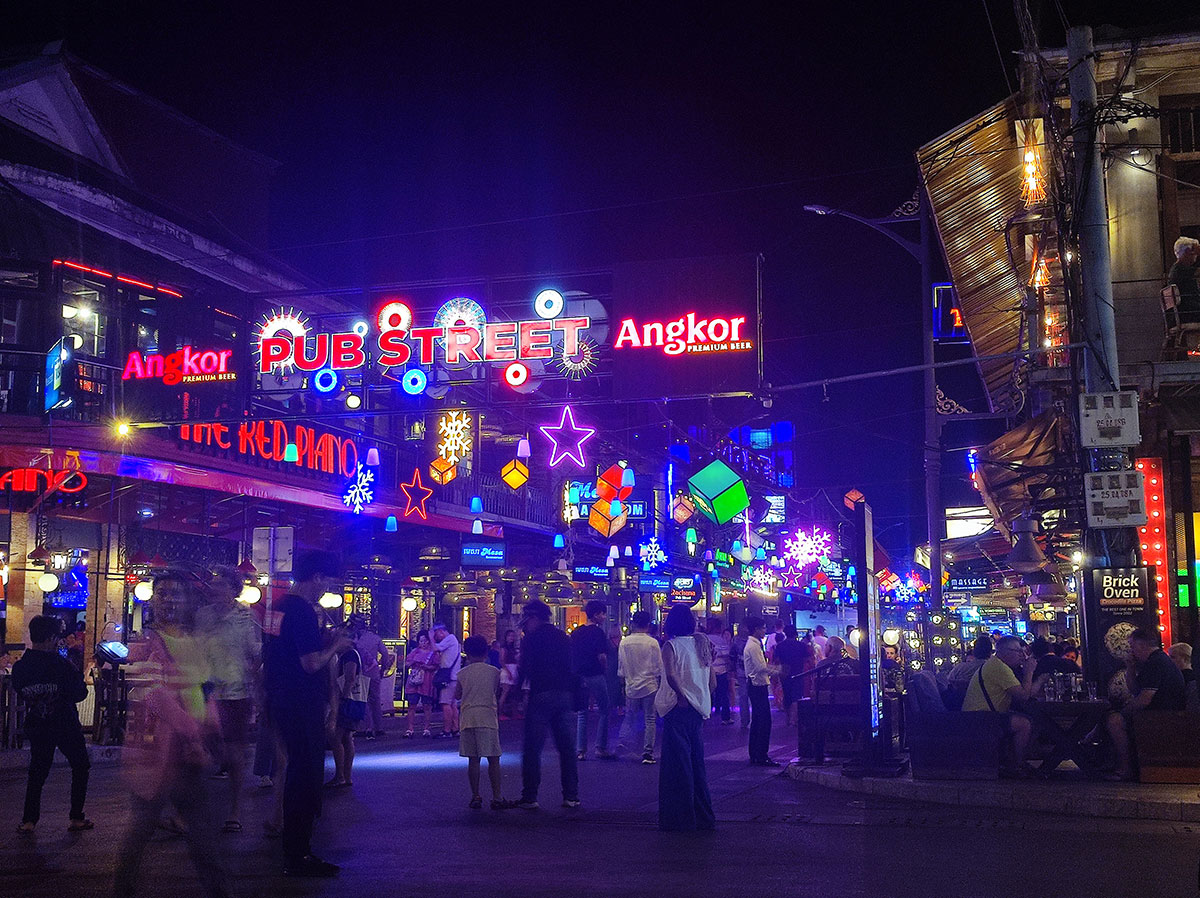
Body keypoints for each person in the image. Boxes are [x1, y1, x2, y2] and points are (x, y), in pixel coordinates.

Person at [114, 569, 234, 898]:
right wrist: (192, 728)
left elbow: (205, 688)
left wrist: (212, 726)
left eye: (176, 593)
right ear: (153, 599)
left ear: (188, 600)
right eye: (163, 593)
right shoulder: (143, 644)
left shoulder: (193, 643)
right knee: (142, 831)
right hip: (156, 754)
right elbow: (152, 695)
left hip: (189, 756)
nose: (170, 599)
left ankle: (220, 892)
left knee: (203, 836)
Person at [263, 550, 350, 878]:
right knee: (306, 775)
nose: (327, 587)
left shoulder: (278, 607)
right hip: (301, 703)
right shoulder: (301, 611)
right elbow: (311, 662)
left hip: (281, 699)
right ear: (317, 577)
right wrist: (336, 647)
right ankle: (298, 853)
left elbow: (274, 653)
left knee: (296, 771)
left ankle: (294, 848)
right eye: (328, 580)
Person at [196, 566, 261, 833]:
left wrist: (259, 692)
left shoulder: (247, 618)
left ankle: (234, 811)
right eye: (213, 584)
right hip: (204, 692)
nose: (215, 589)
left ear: (234, 590)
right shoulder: (202, 616)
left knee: (234, 754)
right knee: (202, 750)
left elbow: (256, 656)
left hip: (236, 694)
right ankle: (190, 811)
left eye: (221, 584)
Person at [13, 615, 92, 835]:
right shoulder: (61, 665)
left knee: (37, 771)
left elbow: (20, 690)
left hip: (38, 723)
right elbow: (80, 693)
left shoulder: (21, 667)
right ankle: (76, 817)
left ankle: (29, 820)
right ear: (51, 638)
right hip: (65, 723)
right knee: (80, 765)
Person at [516, 599, 579, 810]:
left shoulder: (531, 639)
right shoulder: (563, 637)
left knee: (533, 748)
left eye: (527, 620)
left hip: (540, 694)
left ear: (534, 618)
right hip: (563, 694)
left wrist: (517, 695)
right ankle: (571, 795)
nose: (525, 625)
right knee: (567, 748)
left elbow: (524, 668)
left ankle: (530, 796)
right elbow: (572, 667)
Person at [658, 604, 716, 832]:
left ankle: (679, 820)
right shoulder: (702, 645)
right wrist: (702, 699)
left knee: (677, 766)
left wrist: (682, 695)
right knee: (696, 764)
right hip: (698, 710)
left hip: (677, 708)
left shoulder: (670, 646)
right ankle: (704, 817)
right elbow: (713, 682)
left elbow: (671, 674)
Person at [1106, 627, 1187, 780]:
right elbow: (1135, 689)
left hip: (1162, 716)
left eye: (1132, 646)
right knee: (1113, 716)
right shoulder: (1155, 661)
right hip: (1160, 713)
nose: (1131, 650)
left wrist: (1124, 712)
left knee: (1114, 721)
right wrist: (1130, 668)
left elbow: (1145, 699)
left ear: (1141, 645)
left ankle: (1126, 769)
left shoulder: (1156, 663)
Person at [962, 635, 1048, 773]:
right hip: (980, 718)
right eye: (1018, 651)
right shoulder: (999, 668)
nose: (1022, 655)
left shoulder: (999, 665)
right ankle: (1017, 766)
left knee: (1036, 719)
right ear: (1004, 652)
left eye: (1022, 651)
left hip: (983, 715)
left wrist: (1040, 680)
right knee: (1024, 724)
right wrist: (1029, 672)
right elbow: (1024, 696)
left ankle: (1016, 759)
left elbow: (1026, 692)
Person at [457, 635, 515, 809]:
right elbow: (499, 690)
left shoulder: (462, 674)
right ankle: (497, 797)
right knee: (493, 759)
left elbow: (457, 695)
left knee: (473, 760)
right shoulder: (493, 672)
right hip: (487, 717)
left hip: (467, 718)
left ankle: (475, 796)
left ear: (466, 653)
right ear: (486, 652)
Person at [618, 610, 663, 763]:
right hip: (650, 685)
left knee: (629, 716)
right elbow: (658, 667)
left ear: (633, 623)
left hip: (631, 685)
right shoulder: (653, 643)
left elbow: (621, 667)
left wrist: (623, 683)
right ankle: (647, 752)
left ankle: (623, 742)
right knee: (650, 719)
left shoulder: (624, 642)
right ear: (648, 625)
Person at [571, 600, 614, 760]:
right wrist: (605, 669)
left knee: (583, 712)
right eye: (602, 613)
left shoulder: (576, 632)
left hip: (580, 675)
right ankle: (600, 747)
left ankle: (580, 750)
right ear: (596, 615)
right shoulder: (598, 633)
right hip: (595, 674)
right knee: (604, 709)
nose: (604, 616)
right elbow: (601, 656)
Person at [328, 638, 366, 787]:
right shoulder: (351, 654)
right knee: (346, 738)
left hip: (346, 701)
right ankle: (346, 775)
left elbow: (350, 677)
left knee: (336, 737)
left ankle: (340, 775)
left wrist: (342, 698)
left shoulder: (350, 654)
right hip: (352, 701)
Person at [743, 616, 779, 766]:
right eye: (763, 628)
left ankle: (756, 754)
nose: (765, 630)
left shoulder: (753, 644)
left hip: (755, 685)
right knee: (763, 721)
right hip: (757, 685)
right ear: (756, 629)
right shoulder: (753, 646)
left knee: (758, 721)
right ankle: (761, 755)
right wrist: (777, 670)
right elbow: (760, 667)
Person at [348, 612, 391, 739]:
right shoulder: (375, 638)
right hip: (374, 672)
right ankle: (379, 728)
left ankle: (366, 727)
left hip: (359, 672)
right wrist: (382, 669)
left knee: (363, 700)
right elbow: (385, 655)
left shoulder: (353, 639)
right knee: (376, 700)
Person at [403, 629, 440, 737]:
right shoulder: (415, 651)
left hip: (427, 681)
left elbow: (436, 665)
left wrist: (427, 667)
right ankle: (410, 728)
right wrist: (413, 662)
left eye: (425, 641)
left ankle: (426, 728)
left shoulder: (433, 653)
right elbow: (406, 663)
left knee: (427, 705)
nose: (422, 643)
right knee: (411, 705)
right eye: (420, 641)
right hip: (414, 682)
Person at [772, 625, 808, 725]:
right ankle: (794, 719)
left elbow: (776, 660)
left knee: (787, 696)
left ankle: (788, 718)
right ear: (795, 634)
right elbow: (806, 660)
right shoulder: (802, 645)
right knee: (796, 697)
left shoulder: (780, 646)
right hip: (798, 673)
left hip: (785, 673)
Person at [432, 622, 461, 737]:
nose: (436, 637)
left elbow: (435, 648)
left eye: (436, 634)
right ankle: (455, 728)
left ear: (441, 631)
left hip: (449, 677)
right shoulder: (453, 640)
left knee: (445, 704)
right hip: (454, 677)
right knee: (453, 704)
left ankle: (447, 730)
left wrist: (430, 637)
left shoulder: (450, 638)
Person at [1169, 235, 1200, 322]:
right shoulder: (1181, 270)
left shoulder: (1177, 268)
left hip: (1185, 312)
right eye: (1195, 251)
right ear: (1188, 251)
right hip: (1188, 314)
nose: (1196, 255)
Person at [707, 618, 732, 724]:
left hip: (707, 671)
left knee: (707, 693)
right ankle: (725, 717)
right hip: (721, 670)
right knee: (723, 694)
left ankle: (706, 714)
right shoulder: (721, 640)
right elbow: (726, 656)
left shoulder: (705, 639)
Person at [497, 629, 520, 719]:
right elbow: (502, 660)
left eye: (513, 636)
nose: (512, 638)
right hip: (507, 669)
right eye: (510, 636)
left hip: (513, 668)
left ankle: (514, 712)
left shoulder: (512, 648)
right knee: (505, 692)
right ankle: (500, 713)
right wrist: (508, 671)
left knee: (513, 692)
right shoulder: (504, 648)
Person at [732, 622, 750, 730]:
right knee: (743, 696)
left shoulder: (737, 641)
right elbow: (732, 656)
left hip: (746, 672)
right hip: (742, 672)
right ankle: (745, 720)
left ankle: (745, 720)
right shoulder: (736, 642)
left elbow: (732, 656)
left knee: (744, 696)